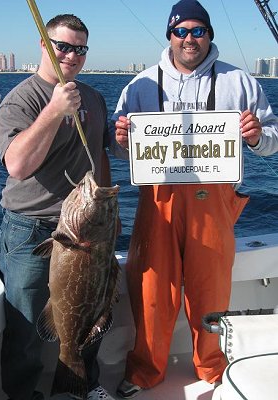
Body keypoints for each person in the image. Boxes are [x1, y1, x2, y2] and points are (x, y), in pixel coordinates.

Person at [110, 0, 278, 398]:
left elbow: (271, 141)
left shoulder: (240, 82)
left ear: (209, 35)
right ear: (169, 35)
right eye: (181, 31)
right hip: (158, 203)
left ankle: (212, 363)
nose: (190, 38)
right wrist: (119, 142)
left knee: (211, 288)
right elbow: (118, 147)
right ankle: (145, 369)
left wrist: (255, 136)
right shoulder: (141, 84)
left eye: (198, 30)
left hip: (214, 202)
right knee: (151, 290)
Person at [0, 14, 115, 400]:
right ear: (44, 46)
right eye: (62, 46)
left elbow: (100, 153)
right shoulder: (22, 99)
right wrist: (53, 110)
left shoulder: (94, 98)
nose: (71, 55)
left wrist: (108, 194)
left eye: (79, 49)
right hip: (31, 231)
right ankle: (24, 394)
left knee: (92, 309)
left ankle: (86, 383)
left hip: (87, 232)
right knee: (27, 326)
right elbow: (16, 165)